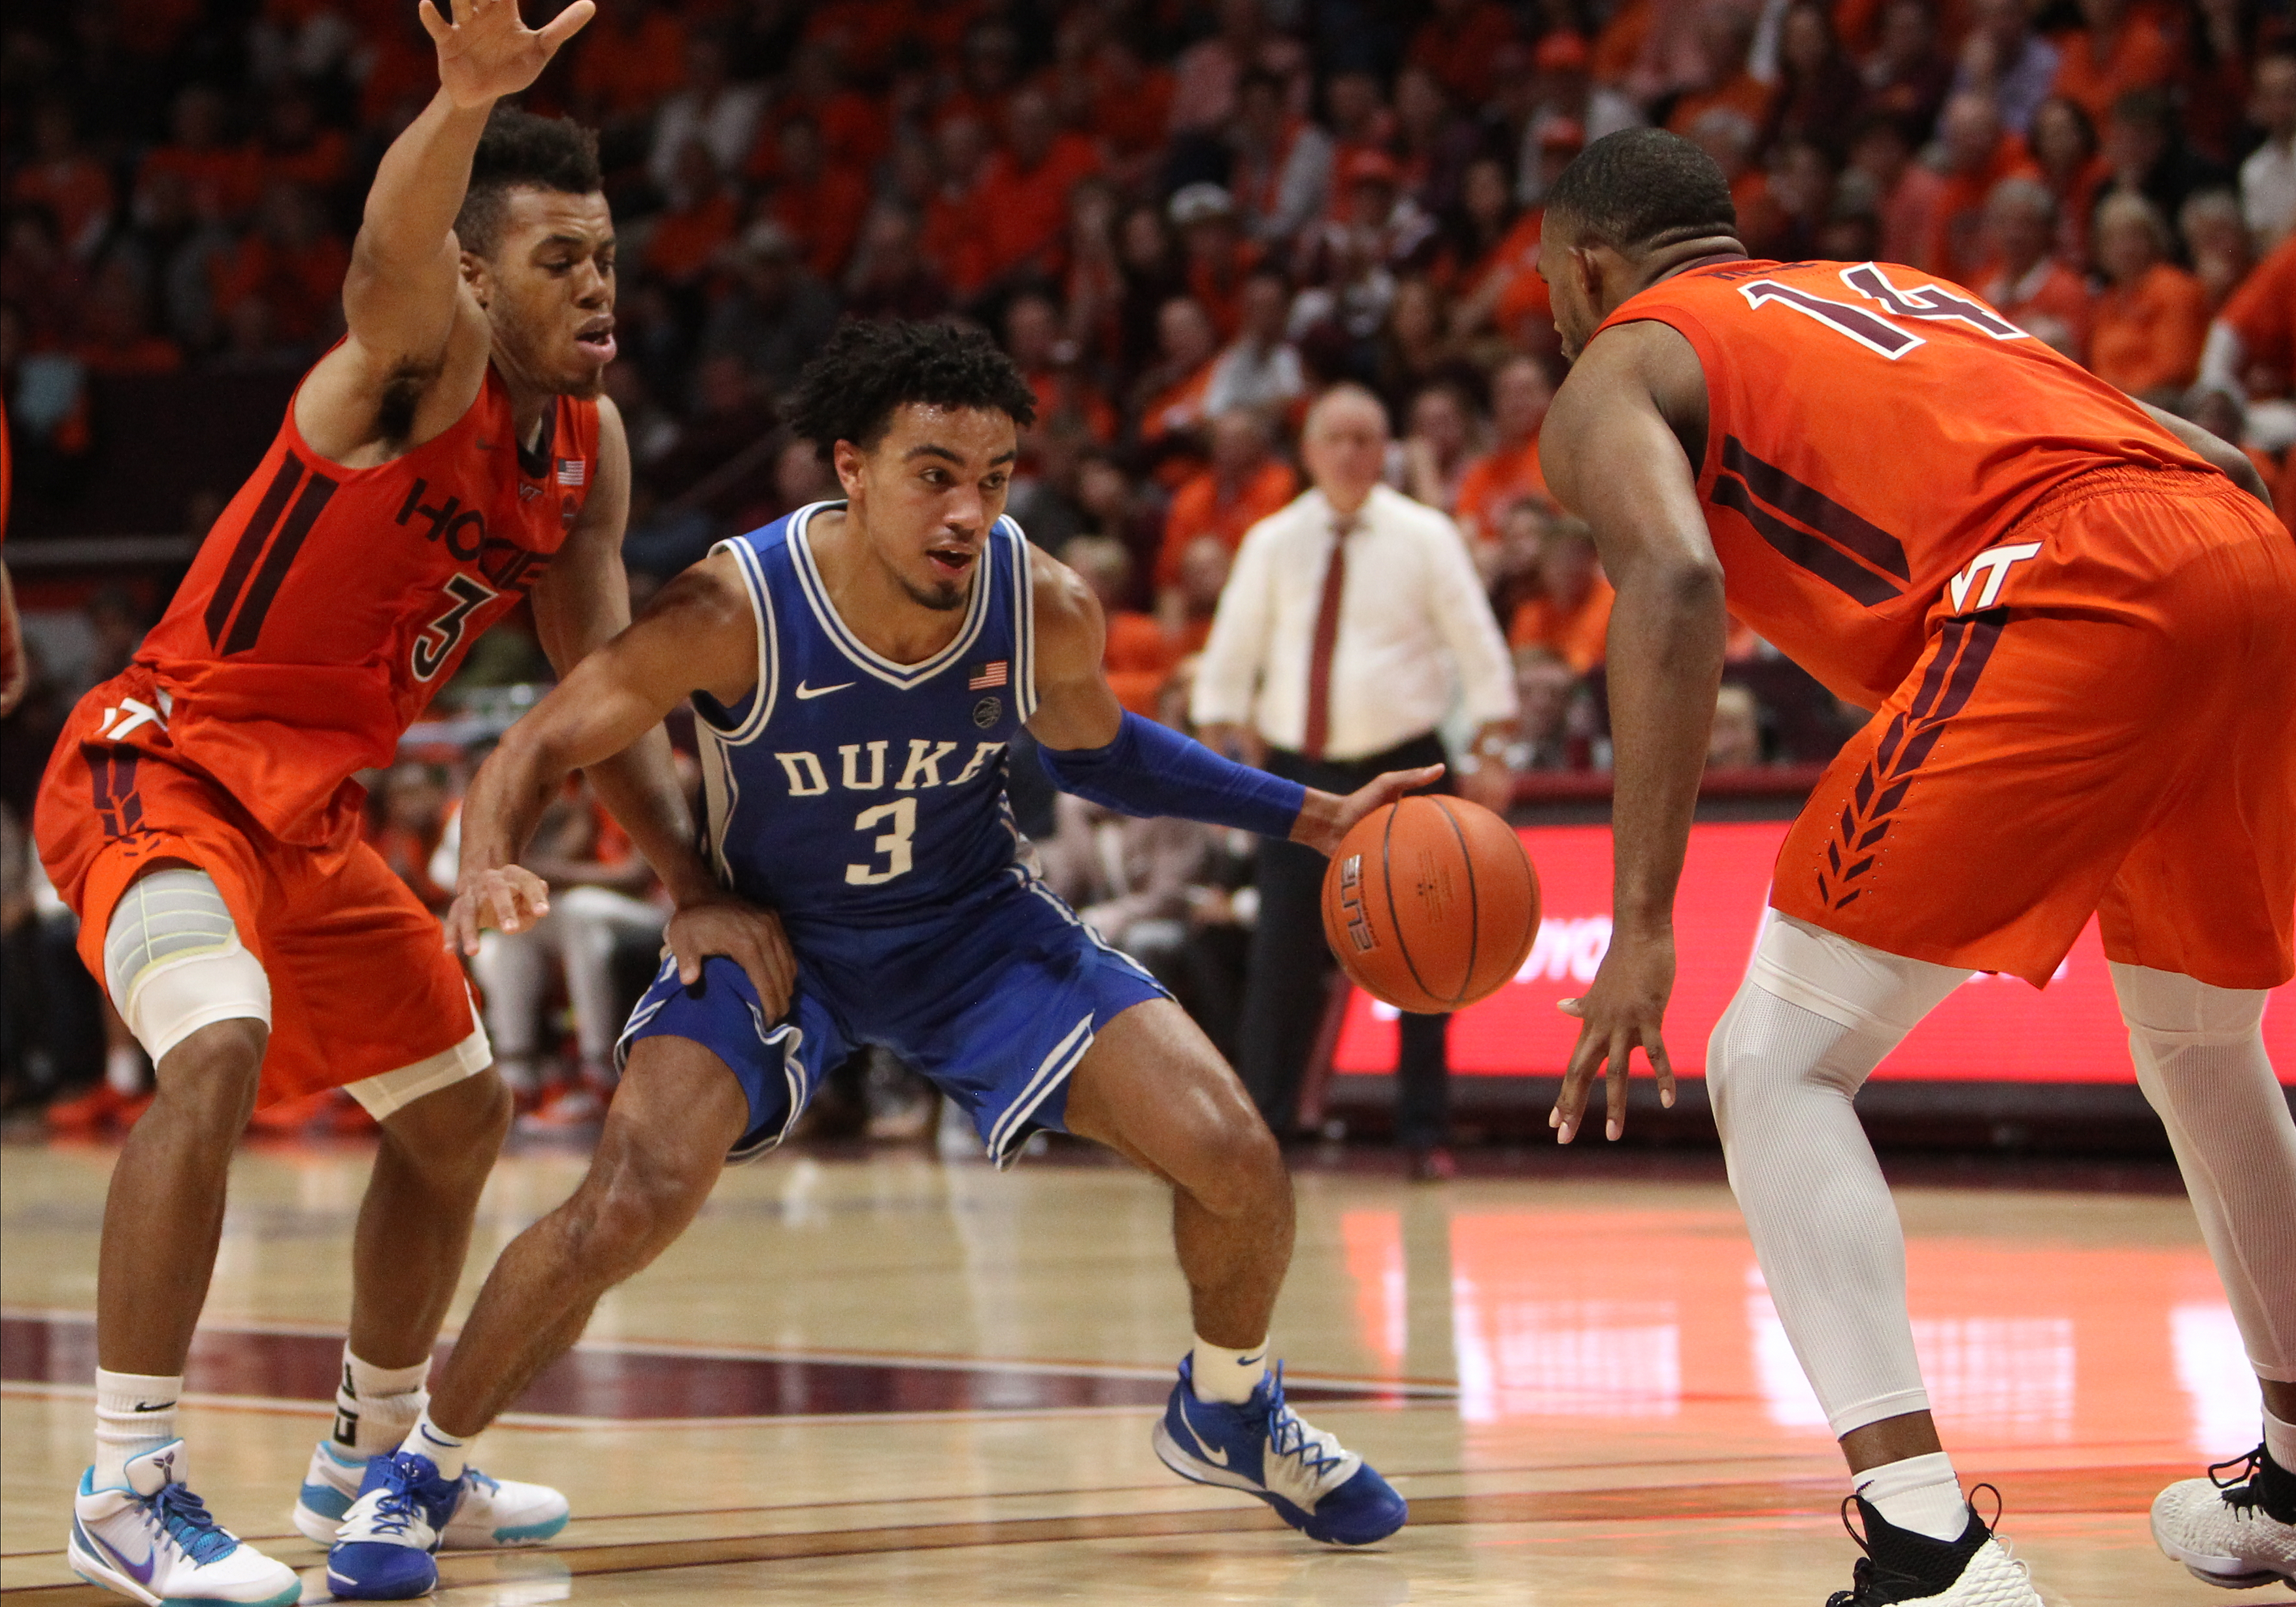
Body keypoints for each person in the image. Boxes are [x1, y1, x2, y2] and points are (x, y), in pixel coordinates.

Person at [322, 321, 1416, 1595]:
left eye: (994, 476)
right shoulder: (736, 604)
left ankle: (1227, 1403)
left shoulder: (1039, 599)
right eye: (933, 471)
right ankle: (424, 1464)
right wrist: (496, 854)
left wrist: (1311, 813)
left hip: (973, 928)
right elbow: (541, 742)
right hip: (783, 935)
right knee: (626, 1197)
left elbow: (1101, 751)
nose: (967, 509)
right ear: (850, 465)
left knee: (1237, 1155)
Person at [27, 3, 786, 1600]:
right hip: (156, 764)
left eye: (606, 256)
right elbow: (381, 265)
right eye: (558, 256)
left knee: (456, 1119)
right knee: (214, 1044)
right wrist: (456, 104)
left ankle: (368, 1458)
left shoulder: (587, 448)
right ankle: (128, 1480)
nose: (598, 283)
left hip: (311, 822)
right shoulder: (411, 367)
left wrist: (686, 882)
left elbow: (600, 693)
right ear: (472, 276)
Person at [1534, 127, 2294, 1605]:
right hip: (2240, 554)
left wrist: (1635, 920)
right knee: (2201, 1041)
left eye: (1551, 288)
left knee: (1770, 1062)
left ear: (1585, 267)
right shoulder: (1895, 286)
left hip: (2068, 591)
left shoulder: (1612, 369)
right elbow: (2204, 455)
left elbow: (1674, 577)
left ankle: (1924, 1548)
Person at [1193, 386, 1518, 1181]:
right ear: (1308, 449)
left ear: (1387, 451)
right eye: (1335, 438)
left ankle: (1422, 1130)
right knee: (1283, 955)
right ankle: (1269, 1130)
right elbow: (1235, 643)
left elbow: (1477, 646)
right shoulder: (1273, 540)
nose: (1350, 453)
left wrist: (1495, 743)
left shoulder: (1427, 535)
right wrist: (1217, 720)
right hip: (1298, 770)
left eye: (1366, 439)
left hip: (1401, 761)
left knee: (1427, 950)